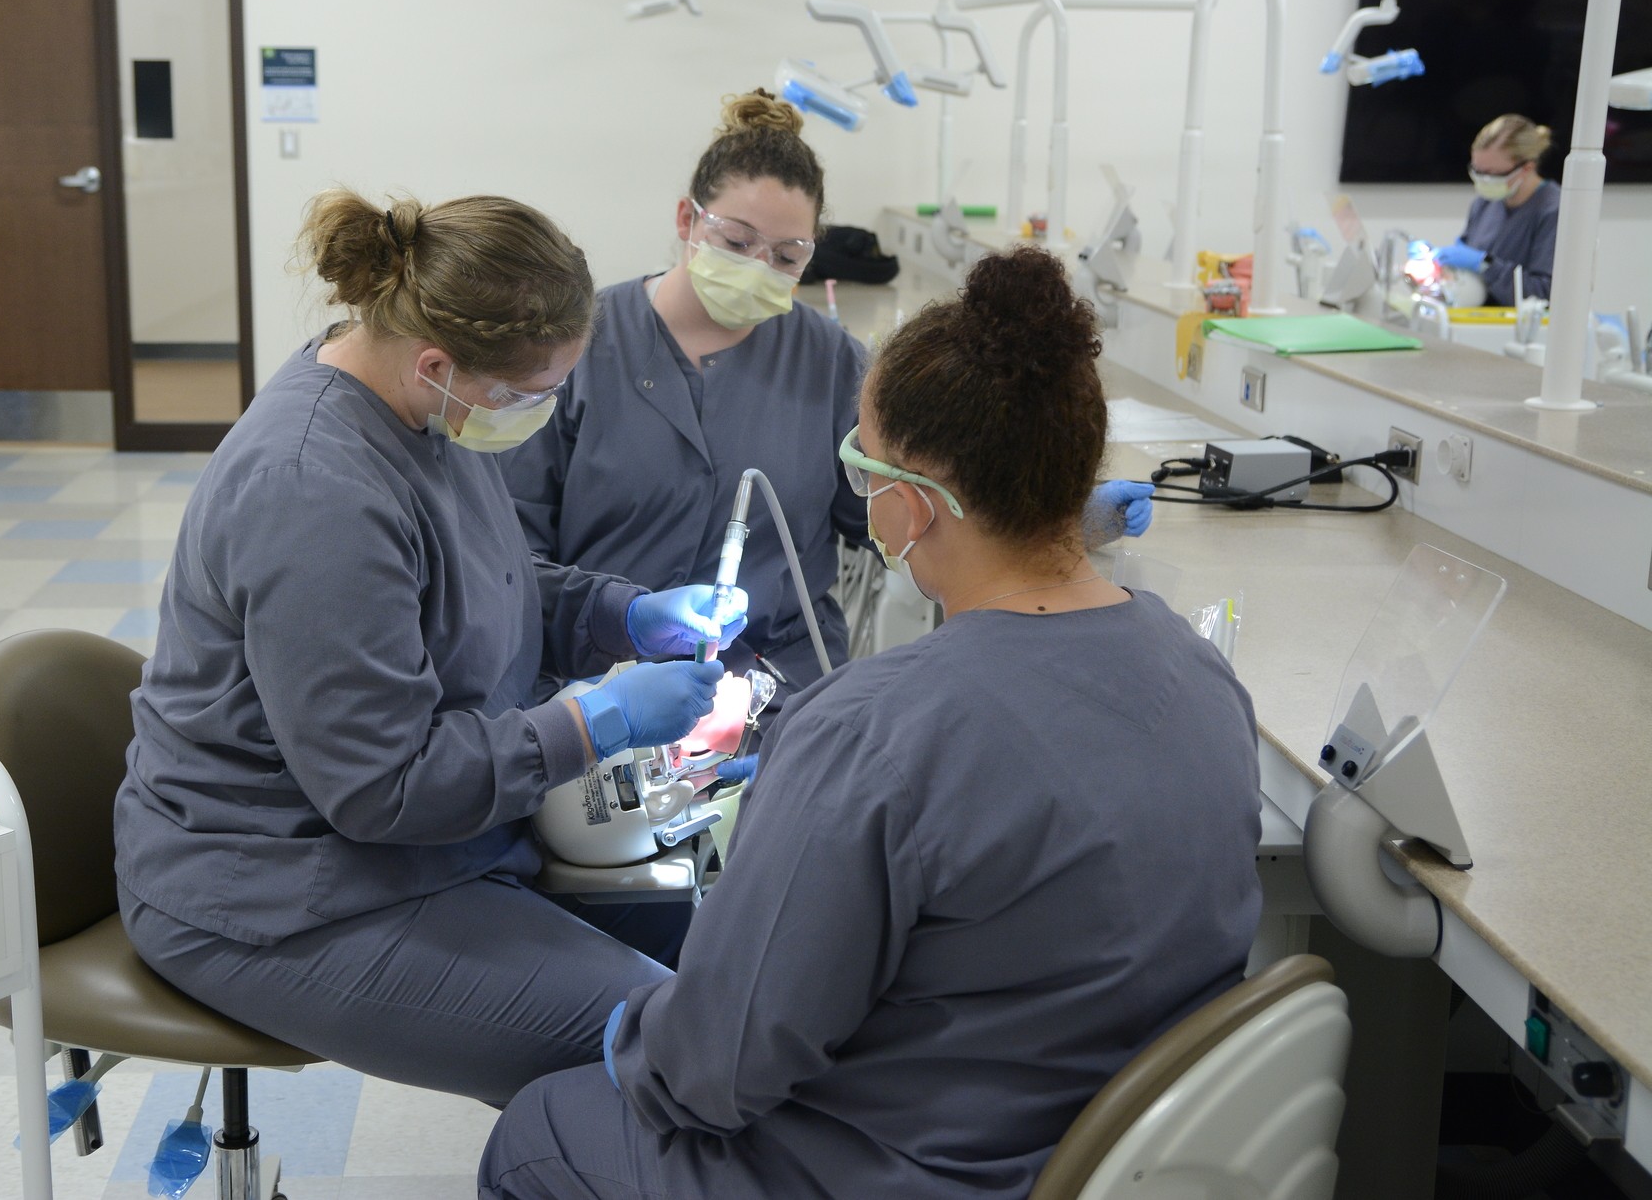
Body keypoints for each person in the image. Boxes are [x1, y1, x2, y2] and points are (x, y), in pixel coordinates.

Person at [480, 247, 1264, 1200]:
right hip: (1111, 1158)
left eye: (861, 463)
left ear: (920, 499)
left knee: (540, 1130)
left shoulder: (869, 734)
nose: (859, 492)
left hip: (902, 1173)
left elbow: (711, 1074)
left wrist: (633, 1029)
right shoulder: (1204, 677)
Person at [113, 189, 751, 1108]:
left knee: (700, 947)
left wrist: (627, 614)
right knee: (664, 1044)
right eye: (532, 393)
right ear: (439, 362)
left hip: (410, 847)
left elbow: (487, 578)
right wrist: (592, 720)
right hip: (278, 894)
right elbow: (383, 784)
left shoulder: (420, 411)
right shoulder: (314, 489)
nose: (542, 409)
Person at [497, 91, 1153, 698]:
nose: (760, 267)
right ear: (686, 220)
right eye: (736, 242)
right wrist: (625, 623)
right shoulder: (581, 350)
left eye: (787, 256)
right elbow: (510, 563)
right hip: (604, 680)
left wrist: (1060, 514)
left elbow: (902, 507)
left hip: (773, 686)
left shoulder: (831, 362)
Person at [1435, 113, 1559, 305]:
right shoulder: (1485, 203)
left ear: (1526, 168)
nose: (1483, 180)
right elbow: (1466, 262)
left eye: (1492, 174)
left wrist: (1486, 265)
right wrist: (1442, 267)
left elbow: (1544, 292)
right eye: (1477, 170)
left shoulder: (1553, 210)